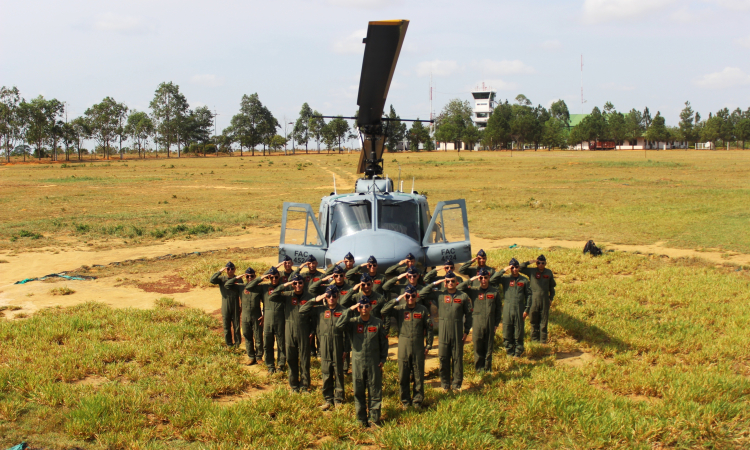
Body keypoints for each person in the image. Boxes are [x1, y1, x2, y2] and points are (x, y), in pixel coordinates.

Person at [335, 296, 388, 428]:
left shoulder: (377, 323)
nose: (364, 308)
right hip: (358, 361)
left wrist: (382, 359)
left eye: (366, 306)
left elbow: (384, 342)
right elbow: (339, 325)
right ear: (358, 308)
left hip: (373, 360)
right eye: (361, 306)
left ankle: (374, 420)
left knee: (374, 390)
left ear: (370, 307)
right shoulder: (353, 322)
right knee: (358, 390)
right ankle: (361, 419)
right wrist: (350, 309)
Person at [381, 285, 433, 409]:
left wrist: (428, 345)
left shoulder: (422, 310)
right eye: (408, 296)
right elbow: (384, 311)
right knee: (403, 373)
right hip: (403, 343)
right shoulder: (400, 309)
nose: (410, 298)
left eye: (413, 296)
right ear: (405, 296)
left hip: (418, 344)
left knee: (418, 373)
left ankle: (417, 401)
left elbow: (429, 328)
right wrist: (398, 299)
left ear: (416, 296)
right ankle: (405, 401)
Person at [418, 272, 472, 391]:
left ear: (457, 282)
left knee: (457, 358)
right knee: (443, 358)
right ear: (444, 283)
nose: (450, 283)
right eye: (447, 281)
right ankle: (445, 384)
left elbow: (469, 315)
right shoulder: (439, 295)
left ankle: (457, 385)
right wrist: (435, 283)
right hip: (443, 332)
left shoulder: (463, 296)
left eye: (452, 281)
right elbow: (422, 294)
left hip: (457, 331)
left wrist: (466, 331)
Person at [300, 285, 347, 410]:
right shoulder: (319, 310)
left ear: (338, 296)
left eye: (334, 296)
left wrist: (346, 350)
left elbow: (348, 333)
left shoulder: (343, 311)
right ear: (325, 297)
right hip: (324, 345)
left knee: (338, 372)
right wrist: (315, 299)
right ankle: (328, 399)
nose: (331, 298)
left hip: (338, 344)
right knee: (326, 372)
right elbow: (302, 310)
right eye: (328, 296)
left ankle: (339, 399)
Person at [272, 274, 314, 392]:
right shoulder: (287, 295)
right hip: (289, 330)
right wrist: (285, 285)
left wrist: (312, 331)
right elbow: (272, 296)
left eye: (300, 283)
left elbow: (314, 316)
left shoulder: (309, 297)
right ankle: (294, 385)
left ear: (303, 283)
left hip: (303, 330)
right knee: (291, 358)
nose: (297, 285)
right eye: (295, 283)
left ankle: (305, 385)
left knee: (304, 360)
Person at [456, 268, 503, 373]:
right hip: (477, 323)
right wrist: (472, 279)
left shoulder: (494, 292)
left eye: (485, 277)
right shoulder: (474, 291)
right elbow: (459, 288)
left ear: (488, 278)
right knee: (478, 347)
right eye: (481, 278)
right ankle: (479, 370)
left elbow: (498, 309)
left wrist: (496, 324)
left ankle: (488, 370)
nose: (483, 280)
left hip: (490, 323)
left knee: (489, 348)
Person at [245, 267, 286, 374]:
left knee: (281, 343)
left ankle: (281, 365)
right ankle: (270, 366)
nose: (274, 279)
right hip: (267, 320)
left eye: (276, 277)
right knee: (268, 344)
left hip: (280, 319)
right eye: (271, 277)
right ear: (269, 277)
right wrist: (261, 278)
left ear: (279, 277)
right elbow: (249, 287)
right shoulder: (264, 287)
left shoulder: (284, 287)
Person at [224, 267, 264, 364]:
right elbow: (227, 285)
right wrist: (237, 277)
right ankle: (251, 357)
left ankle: (259, 357)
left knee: (258, 337)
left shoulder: (259, 288)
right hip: (245, 316)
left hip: (257, 315)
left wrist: (264, 315)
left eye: (252, 276)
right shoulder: (241, 287)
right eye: (247, 276)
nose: (250, 278)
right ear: (245, 277)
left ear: (255, 276)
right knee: (247, 336)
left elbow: (265, 302)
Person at [496, 258, 532, 357]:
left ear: (519, 268)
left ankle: (518, 353)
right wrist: (504, 270)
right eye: (512, 267)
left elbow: (529, 295)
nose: (514, 269)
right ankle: (509, 352)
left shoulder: (524, 280)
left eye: (516, 267)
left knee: (519, 331)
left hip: (519, 308)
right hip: (507, 307)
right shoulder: (505, 279)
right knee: (507, 330)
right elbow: (492, 279)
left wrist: (527, 309)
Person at [520, 255, 556, 344]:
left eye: (542, 263)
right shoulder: (532, 271)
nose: (540, 265)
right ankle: (534, 342)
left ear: (545, 263)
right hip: (533, 300)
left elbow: (552, 287)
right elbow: (520, 268)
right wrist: (528, 262)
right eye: (538, 263)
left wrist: (551, 298)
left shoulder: (548, 272)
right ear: (536, 263)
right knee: (534, 322)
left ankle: (543, 342)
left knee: (543, 322)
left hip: (544, 300)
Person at [295, 255, 323, 357]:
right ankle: (311, 350)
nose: (311, 265)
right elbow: (292, 279)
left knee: (319, 329)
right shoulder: (302, 276)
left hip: (317, 307)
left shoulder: (321, 276)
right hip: (306, 306)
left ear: (316, 264)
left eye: (313, 263)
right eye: (309, 263)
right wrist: (301, 267)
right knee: (308, 329)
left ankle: (320, 351)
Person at [209, 262, 242, 347]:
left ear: (235, 269)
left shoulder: (238, 279)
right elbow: (212, 280)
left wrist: (241, 305)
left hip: (235, 304)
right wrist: (219, 271)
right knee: (226, 326)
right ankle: (229, 344)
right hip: (225, 303)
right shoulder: (222, 279)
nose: (230, 270)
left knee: (237, 326)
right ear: (225, 270)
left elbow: (242, 293)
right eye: (228, 269)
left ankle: (237, 344)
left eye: (232, 268)